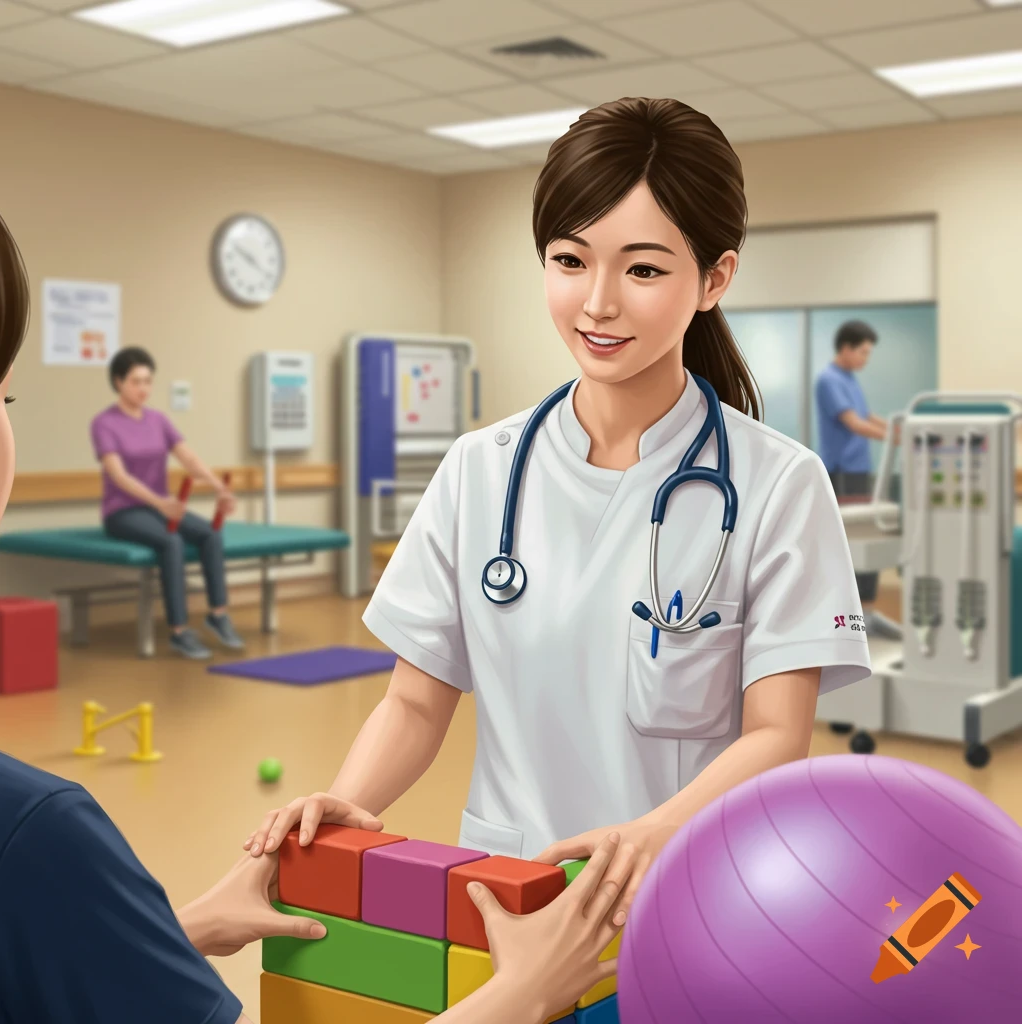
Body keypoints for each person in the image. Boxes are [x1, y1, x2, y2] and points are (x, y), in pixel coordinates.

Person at [0, 211, 641, 1022]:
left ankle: (209, 617)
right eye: (4, 390)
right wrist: (520, 996)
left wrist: (169, 928)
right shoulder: (31, 837)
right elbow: (416, 695)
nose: (601, 300)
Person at [244, 98, 870, 895]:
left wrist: (650, 837)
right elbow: (414, 702)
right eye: (570, 261)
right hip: (510, 891)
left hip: (690, 893)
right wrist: (349, 799)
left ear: (714, 278)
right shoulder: (480, 471)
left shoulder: (779, 484)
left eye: (643, 269)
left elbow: (779, 736)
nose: (598, 302)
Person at [91, 345, 244, 658]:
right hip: (123, 511)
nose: (143, 388)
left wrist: (219, 488)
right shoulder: (104, 423)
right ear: (119, 382)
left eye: (148, 381)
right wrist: (161, 503)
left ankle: (218, 614)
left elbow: (188, 457)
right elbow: (119, 476)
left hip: (159, 507)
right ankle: (179, 631)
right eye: (136, 381)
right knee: (171, 542)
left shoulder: (158, 420)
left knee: (211, 534)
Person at [815, 320, 897, 634]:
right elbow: (854, 424)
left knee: (871, 536)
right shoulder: (829, 380)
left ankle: (869, 614)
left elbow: (868, 417)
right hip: (842, 473)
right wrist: (895, 439)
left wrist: (899, 428)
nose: (866, 359)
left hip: (859, 470)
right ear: (846, 348)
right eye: (862, 352)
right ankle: (849, 621)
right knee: (850, 545)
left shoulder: (848, 378)